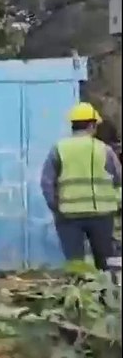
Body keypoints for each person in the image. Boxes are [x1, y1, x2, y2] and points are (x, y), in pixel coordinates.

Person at [40, 101, 122, 270]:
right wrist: (116, 203)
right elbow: (118, 178)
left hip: (69, 215)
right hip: (102, 214)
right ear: (92, 125)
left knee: (75, 264)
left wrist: (56, 207)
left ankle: (79, 286)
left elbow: (47, 182)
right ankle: (104, 287)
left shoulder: (59, 149)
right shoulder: (104, 150)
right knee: (105, 264)